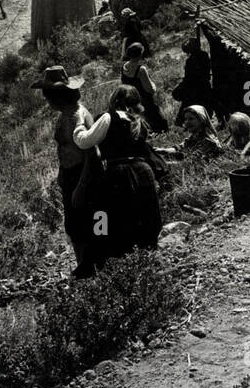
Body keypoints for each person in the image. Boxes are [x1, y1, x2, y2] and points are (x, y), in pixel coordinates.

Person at [71, 84, 164, 275]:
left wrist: (79, 123)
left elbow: (85, 140)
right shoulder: (139, 121)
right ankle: (145, 261)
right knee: (143, 215)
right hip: (143, 171)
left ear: (115, 100)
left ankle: (108, 262)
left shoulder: (109, 117)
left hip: (120, 173)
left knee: (108, 215)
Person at [35, 65, 94, 278]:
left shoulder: (77, 117)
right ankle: (85, 265)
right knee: (74, 224)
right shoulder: (66, 114)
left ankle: (91, 266)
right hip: (71, 174)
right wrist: (62, 173)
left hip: (82, 174)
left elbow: (92, 154)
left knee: (89, 222)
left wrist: (81, 185)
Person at [120, 42, 168, 133]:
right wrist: (154, 86)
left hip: (132, 99)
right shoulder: (140, 69)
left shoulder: (124, 67)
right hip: (144, 99)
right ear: (140, 54)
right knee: (158, 119)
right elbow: (149, 88)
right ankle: (160, 133)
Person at [171, 34, 214, 124]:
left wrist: (181, 86)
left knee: (188, 104)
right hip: (204, 85)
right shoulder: (204, 55)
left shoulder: (191, 60)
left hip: (194, 87)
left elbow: (189, 78)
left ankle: (183, 122)